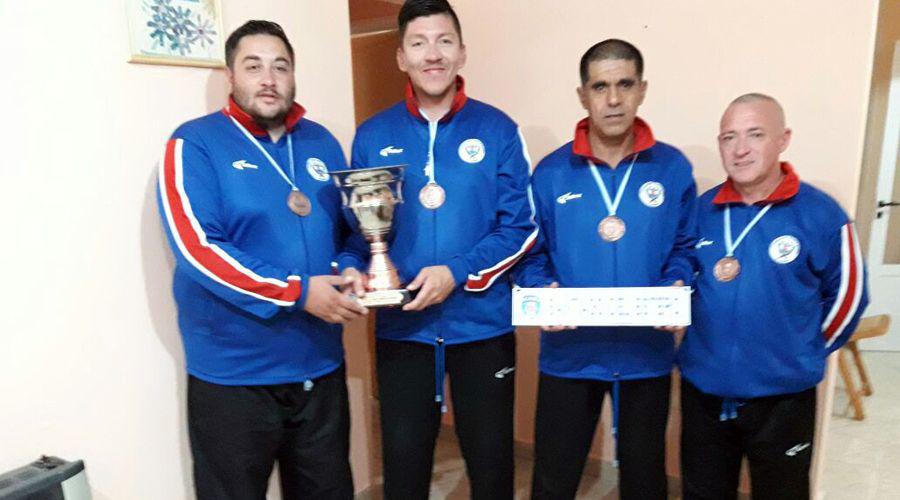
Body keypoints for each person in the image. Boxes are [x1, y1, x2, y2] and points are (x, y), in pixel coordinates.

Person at [156, 20, 367, 500]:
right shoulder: (194, 144)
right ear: (232, 77)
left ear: (293, 76)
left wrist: (351, 265)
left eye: (281, 66)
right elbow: (198, 249)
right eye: (254, 66)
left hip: (319, 366)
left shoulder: (321, 143)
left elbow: (350, 233)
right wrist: (296, 292)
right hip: (234, 377)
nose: (269, 78)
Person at [337, 1, 537, 497]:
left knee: (491, 466)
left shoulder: (498, 130)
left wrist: (458, 271)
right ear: (401, 56)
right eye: (419, 43)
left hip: (482, 325)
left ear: (462, 52)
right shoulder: (373, 134)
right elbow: (355, 233)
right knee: (404, 468)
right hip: (403, 329)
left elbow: (522, 227)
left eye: (444, 41)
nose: (433, 54)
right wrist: (349, 268)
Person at [515, 39, 698, 499]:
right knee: (554, 479)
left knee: (645, 481)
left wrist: (678, 284)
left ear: (642, 89)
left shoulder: (672, 168)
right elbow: (529, 253)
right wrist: (543, 291)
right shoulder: (552, 172)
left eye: (624, 84)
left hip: (646, 356)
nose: (613, 99)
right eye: (600, 86)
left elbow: (687, 247)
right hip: (569, 355)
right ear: (583, 95)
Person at [678, 93, 869, 499]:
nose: (740, 149)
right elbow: (679, 282)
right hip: (704, 393)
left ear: (783, 139)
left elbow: (850, 298)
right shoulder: (699, 211)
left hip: (783, 399)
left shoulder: (821, 214)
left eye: (755, 134)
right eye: (728, 137)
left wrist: (803, 352)